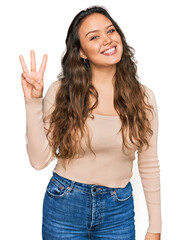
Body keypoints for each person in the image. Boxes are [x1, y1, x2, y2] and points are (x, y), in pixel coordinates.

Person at [19, 5, 162, 240]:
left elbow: (149, 163)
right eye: (94, 37)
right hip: (65, 205)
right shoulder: (62, 92)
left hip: (119, 210)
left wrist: (155, 227)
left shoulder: (144, 97)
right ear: (81, 52)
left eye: (111, 31)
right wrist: (33, 101)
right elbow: (38, 160)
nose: (107, 40)